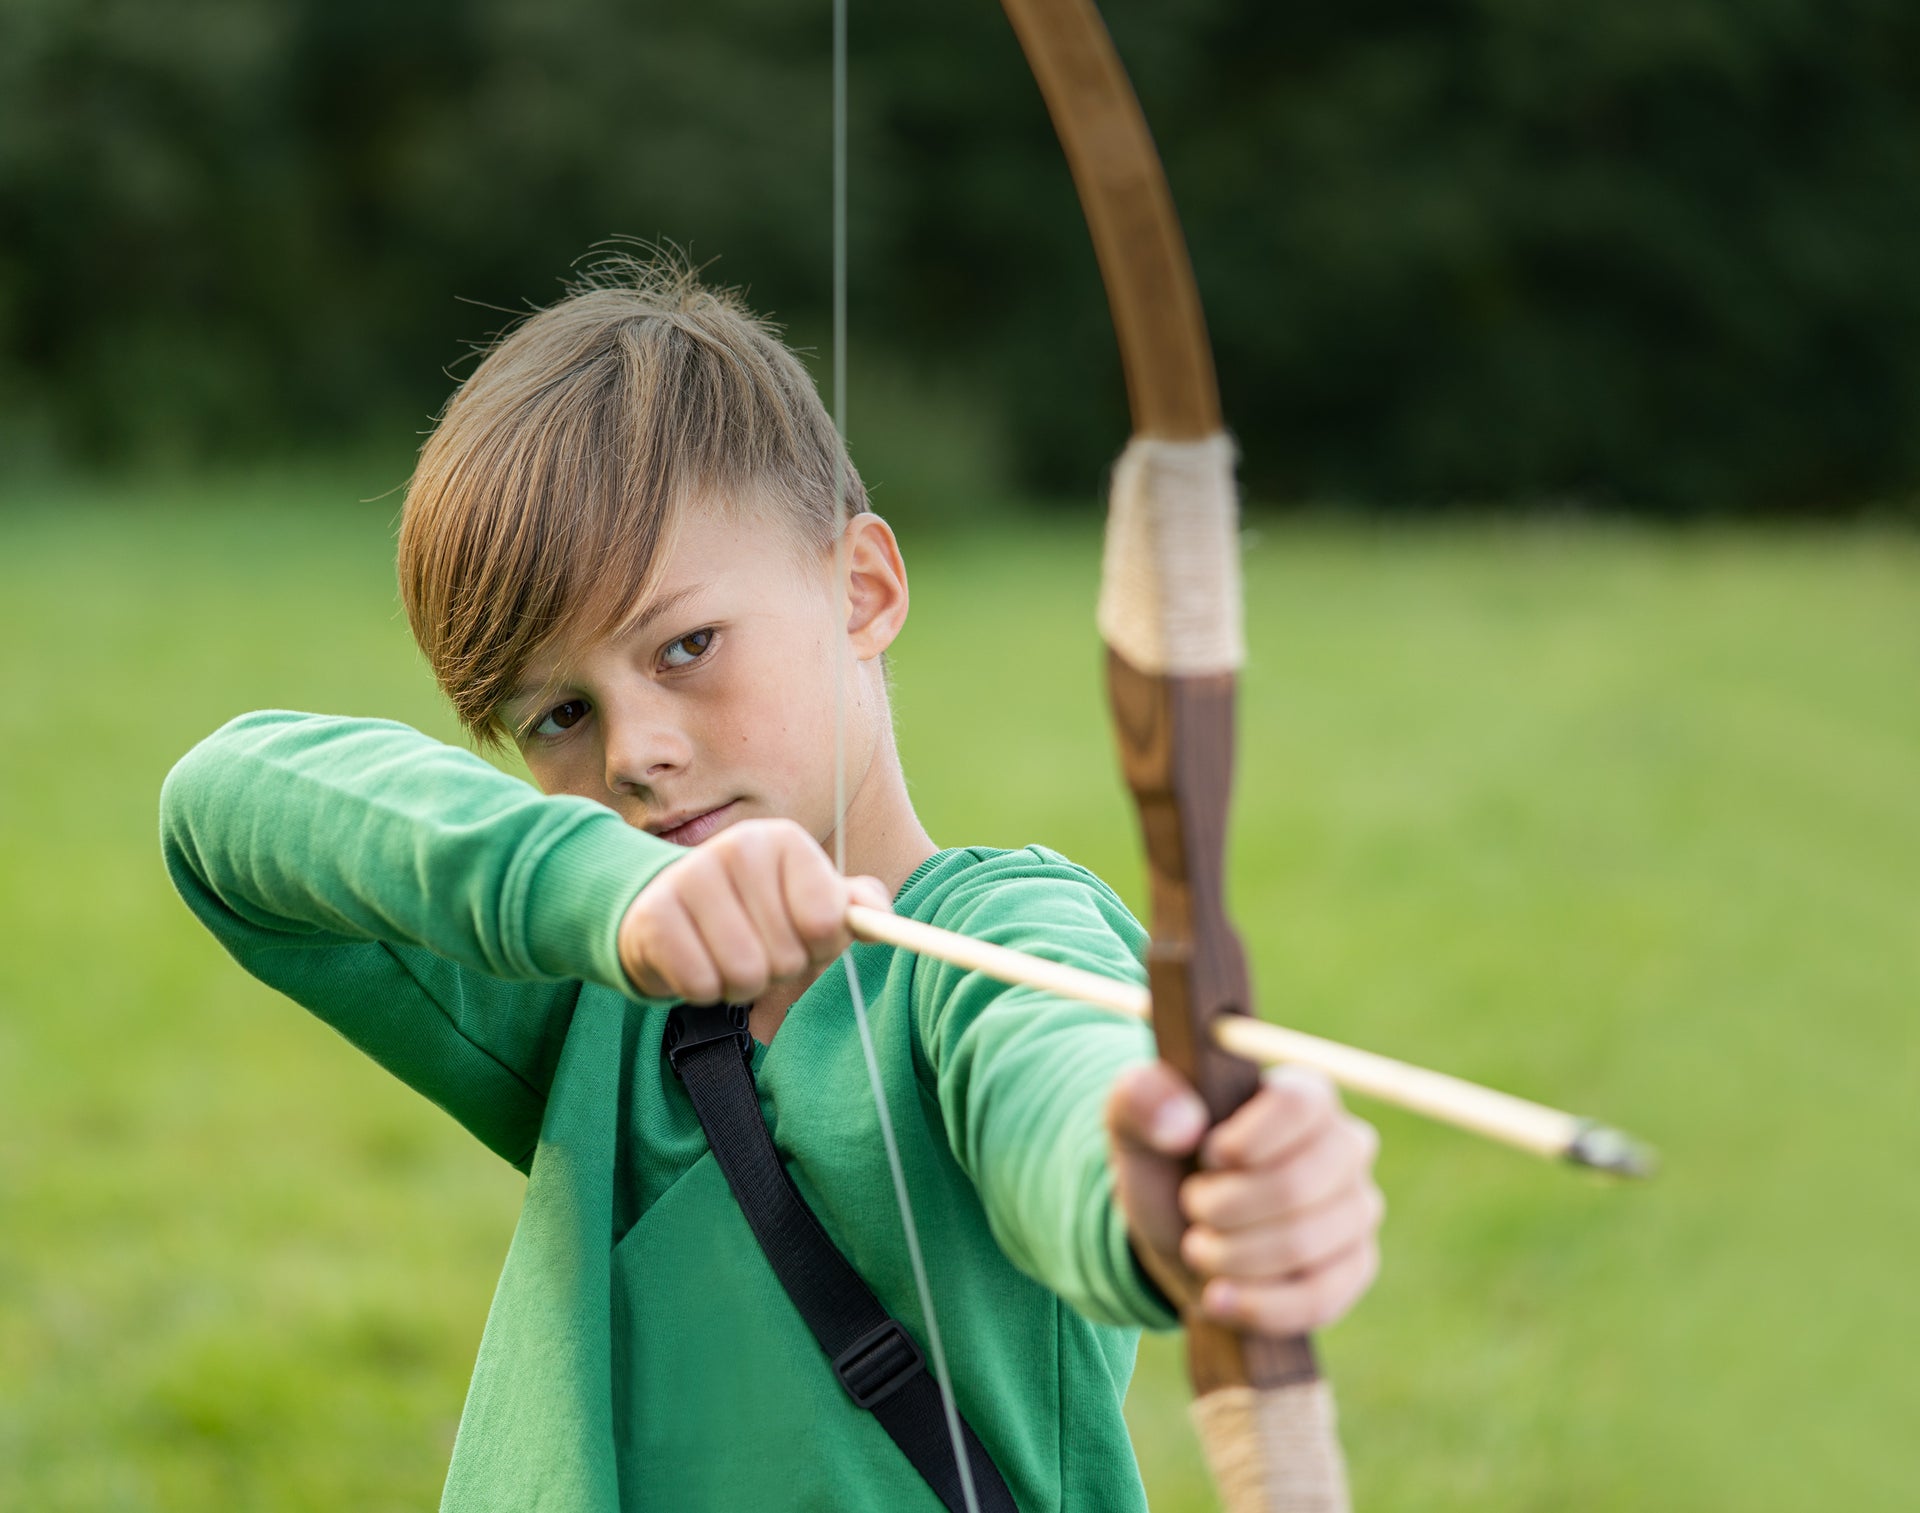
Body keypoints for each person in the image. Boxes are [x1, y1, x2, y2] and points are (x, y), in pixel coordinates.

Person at [160, 257, 1382, 1512]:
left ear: (863, 588)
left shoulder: (994, 946)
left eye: (686, 646)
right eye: (559, 714)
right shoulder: (594, 987)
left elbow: (1070, 1084)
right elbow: (227, 804)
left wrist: (1175, 1190)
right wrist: (601, 898)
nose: (633, 755)